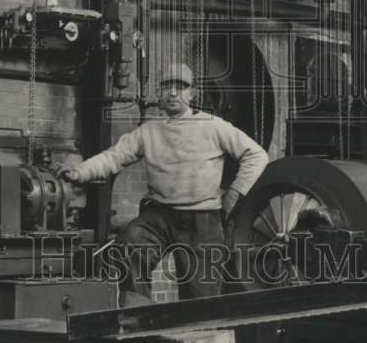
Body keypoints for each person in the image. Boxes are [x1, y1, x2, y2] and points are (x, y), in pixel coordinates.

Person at [61, 63, 268, 305]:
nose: (173, 93)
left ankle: (197, 326)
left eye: (180, 87)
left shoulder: (213, 126)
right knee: (129, 245)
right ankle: (139, 314)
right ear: (159, 93)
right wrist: (79, 172)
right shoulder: (148, 131)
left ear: (192, 94)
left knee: (202, 298)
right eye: (167, 87)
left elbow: (257, 155)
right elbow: (112, 157)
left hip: (202, 220)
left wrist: (235, 192)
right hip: (160, 215)